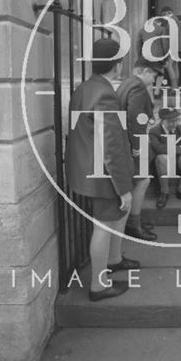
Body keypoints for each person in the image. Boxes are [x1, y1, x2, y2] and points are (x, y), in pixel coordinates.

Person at [65, 38, 138, 302]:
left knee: (113, 219)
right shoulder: (105, 93)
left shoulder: (85, 87)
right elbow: (112, 147)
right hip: (103, 173)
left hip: (86, 167)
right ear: (117, 65)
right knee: (105, 225)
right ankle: (98, 286)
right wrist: (123, 188)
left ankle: (114, 259)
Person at [117, 57, 163, 241]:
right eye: (153, 75)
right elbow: (135, 119)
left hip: (125, 141)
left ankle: (132, 222)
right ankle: (133, 225)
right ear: (144, 71)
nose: (154, 80)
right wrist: (138, 148)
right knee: (142, 182)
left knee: (138, 182)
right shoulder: (137, 87)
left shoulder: (126, 83)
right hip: (133, 143)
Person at [149, 108, 181, 209]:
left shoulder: (180, 128)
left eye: (176, 120)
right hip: (162, 164)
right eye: (171, 121)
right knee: (162, 157)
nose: (174, 123)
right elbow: (159, 148)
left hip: (177, 161)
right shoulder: (154, 131)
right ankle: (164, 192)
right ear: (162, 120)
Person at [136, 17, 166, 97]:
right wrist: (166, 56)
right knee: (161, 73)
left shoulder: (142, 30)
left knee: (149, 74)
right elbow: (165, 44)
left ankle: (150, 95)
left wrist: (140, 57)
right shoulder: (161, 29)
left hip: (146, 56)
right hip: (158, 55)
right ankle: (157, 91)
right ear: (157, 22)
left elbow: (138, 45)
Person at [159, 5, 181, 89]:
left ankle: (174, 88)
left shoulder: (171, 21)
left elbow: (171, 36)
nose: (163, 17)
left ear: (167, 13)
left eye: (163, 15)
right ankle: (176, 86)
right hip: (178, 47)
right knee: (175, 66)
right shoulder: (176, 19)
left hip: (173, 46)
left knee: (169, 65)